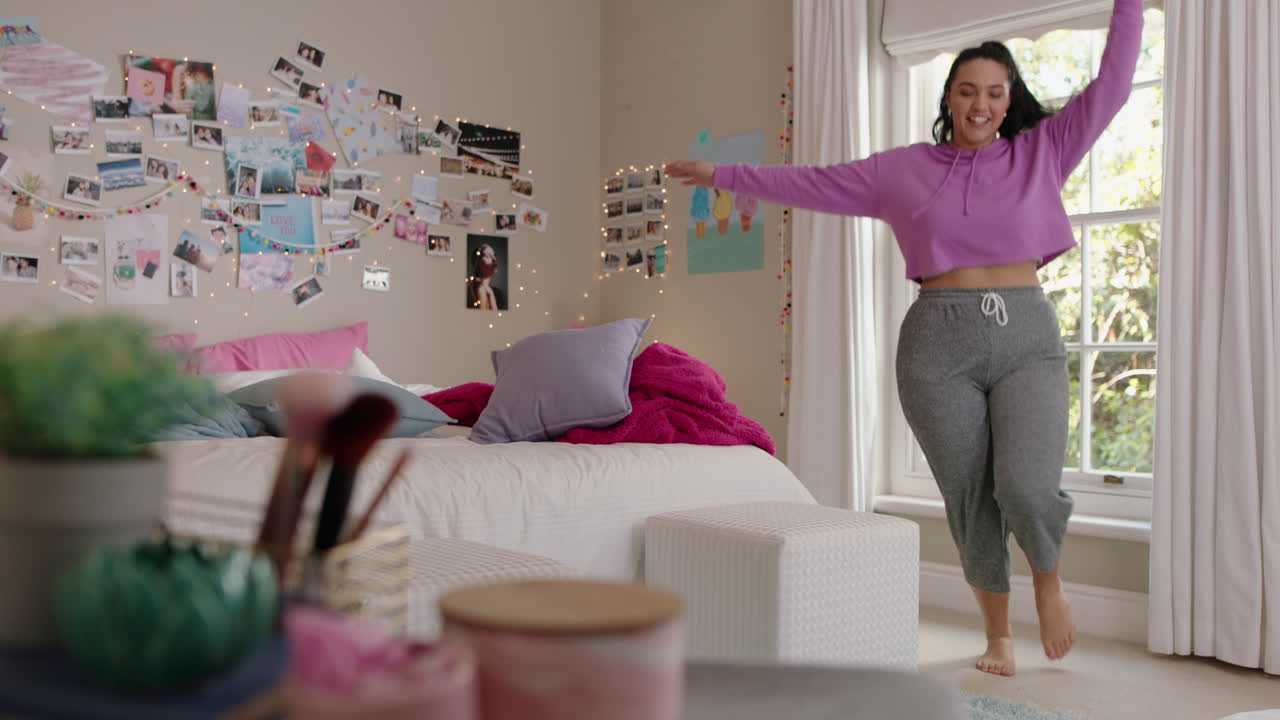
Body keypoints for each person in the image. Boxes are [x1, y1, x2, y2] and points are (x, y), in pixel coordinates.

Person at [667, 0, 1142, 678]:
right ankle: (999, 634)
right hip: (936, 348)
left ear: (1011, 102)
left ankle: (1048, 579)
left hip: (1026, 338)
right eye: (968, 90)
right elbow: (813, 183)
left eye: (995, 93)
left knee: (1028, 486)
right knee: (969, 492)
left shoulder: (1046, 151)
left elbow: (1116, 82)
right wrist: (725, 175)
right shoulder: (903, 169)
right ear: (949, 96)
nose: (981, 104)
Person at [467, 243, 504, 311]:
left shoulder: (498, 293)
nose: (494, 259)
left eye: (494, 255)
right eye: (488, 256)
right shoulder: (469, 294)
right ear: (477, 262)